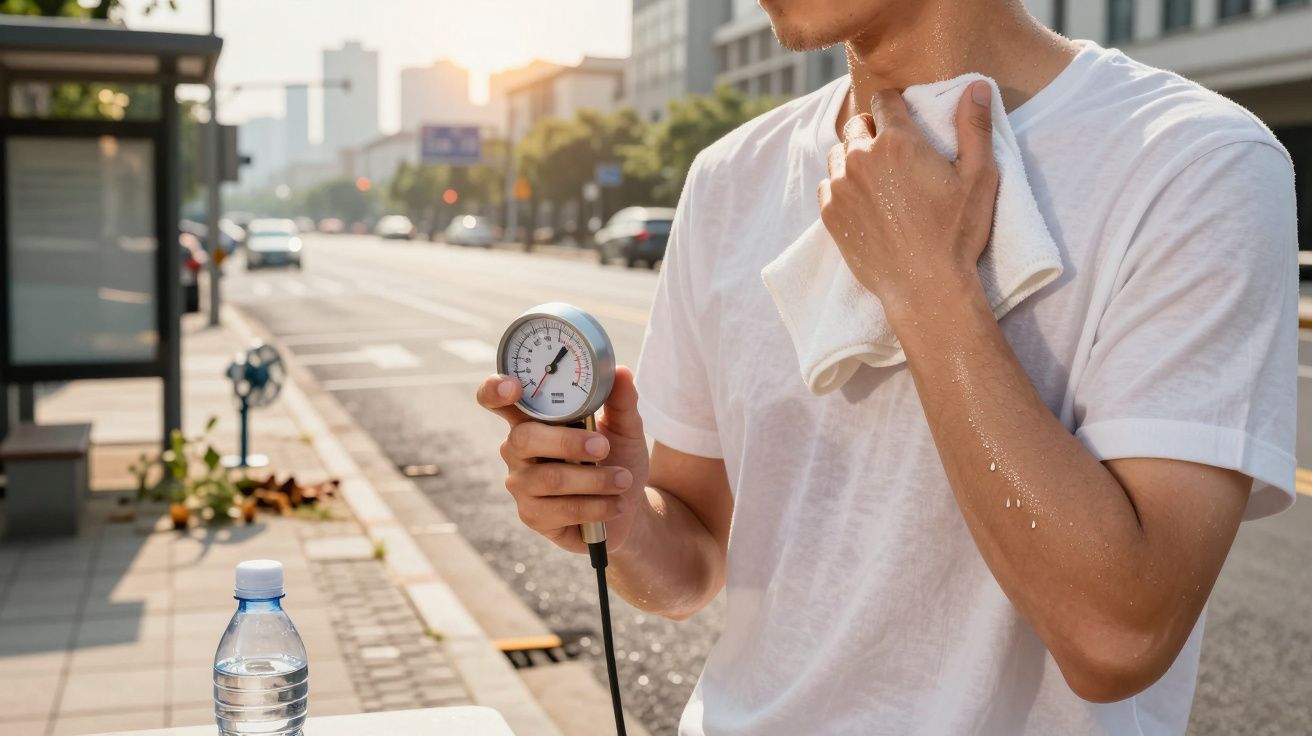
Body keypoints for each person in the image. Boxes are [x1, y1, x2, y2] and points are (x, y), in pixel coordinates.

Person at [477, 0, 1299, 733]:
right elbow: (692, 565)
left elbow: (1120, 637)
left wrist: (929, 288)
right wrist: (620, 520)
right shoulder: (730, 175)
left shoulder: (1192, 162)